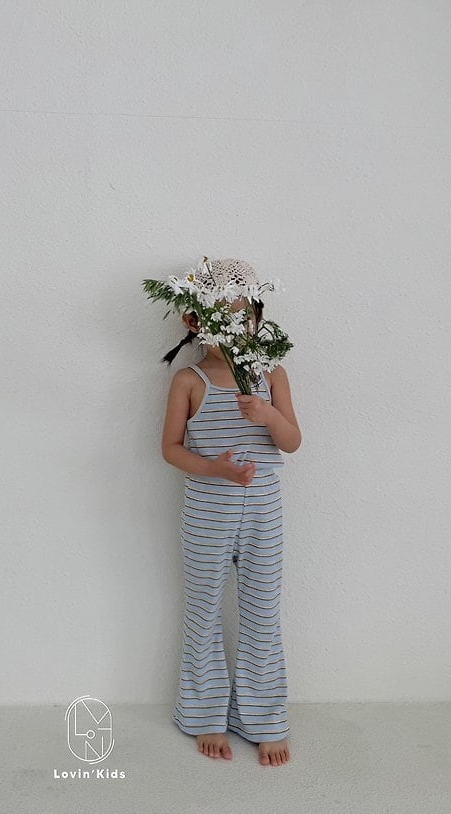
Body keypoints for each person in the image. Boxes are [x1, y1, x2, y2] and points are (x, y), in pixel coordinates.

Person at [160, 268, 301, 767]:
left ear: (258, 319)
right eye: (223, 319)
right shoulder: (188, 380)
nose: (235, 330)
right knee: (204, 612)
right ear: (195, 321)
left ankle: (264, 719)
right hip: (207, 514)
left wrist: (268, 415)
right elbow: (170, 448)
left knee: (263, 614)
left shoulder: (272, 374)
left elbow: (292, 442)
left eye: (244, 318)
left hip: (264, 514)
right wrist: (214, 469)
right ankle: (204, 715)